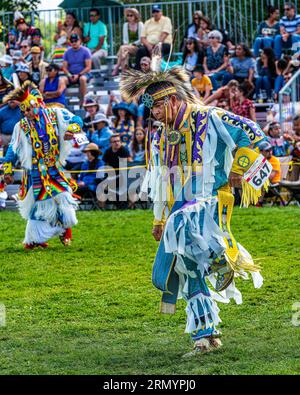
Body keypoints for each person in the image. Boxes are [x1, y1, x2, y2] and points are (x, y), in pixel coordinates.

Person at [120, 66, 267, 356]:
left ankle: (220, 259)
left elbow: (253, 133)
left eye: (159, 106)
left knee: (184, 221)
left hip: (209, 199)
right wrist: (159, 219)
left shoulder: (209, 117)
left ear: (173, 99)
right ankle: (205, 336)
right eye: (151, 110)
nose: (155, 115)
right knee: (178, 271)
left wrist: (238, 170)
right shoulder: (159, 137)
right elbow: (161, 179)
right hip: (178, 207)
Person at [0, 81, 83, 248]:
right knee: (38, 205)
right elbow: (13, 149)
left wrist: (71, 130)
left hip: (54, 168)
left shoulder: (55, 114)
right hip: (35, 172)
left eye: (29, 109)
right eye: (24, 111)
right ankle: (34, 239)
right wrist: (7, 169)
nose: (27, 113)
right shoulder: (21, 126)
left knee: (64, 197)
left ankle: (65, 229)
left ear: (36, 103)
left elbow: (77, 119)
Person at [135, 5, 172, 70]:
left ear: (161, 12)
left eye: (157, 11)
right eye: (154, 12)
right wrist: (149, 46)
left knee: (157, 50)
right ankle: (138, 74)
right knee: (140, 50)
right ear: (152, 13)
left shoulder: (166, 20)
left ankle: (156, 73)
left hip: (163, 44)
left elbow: (165, 34)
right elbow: (142, 38)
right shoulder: (147, 22)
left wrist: (158, 45)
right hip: (149, 45)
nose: (155, 13)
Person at [112, 8, 144, 76]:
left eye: (131, 15)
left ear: (135, 16)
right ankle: (124, 73)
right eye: (128, 15)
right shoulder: (125, 25)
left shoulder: (140, 24)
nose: (129, 17)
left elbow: (141, 39)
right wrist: (127, 44)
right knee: (124, 54)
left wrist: (132, 44)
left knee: (122, 49)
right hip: (127, 47)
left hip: (137, 46)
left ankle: (117, 67)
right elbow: (125, 39)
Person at [62, 33, 92, 106]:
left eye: (75, 40)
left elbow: (88, 67)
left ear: (80, 41)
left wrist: (78, 75)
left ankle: (83, 100)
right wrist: (69, 75)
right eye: (72, 41)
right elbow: (64, 68)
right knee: (61, 80)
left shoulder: (86, 51)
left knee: (82, 79)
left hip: (83, 74)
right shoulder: (67, 52)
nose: (74, 42)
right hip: (71, 75)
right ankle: (63, 101)